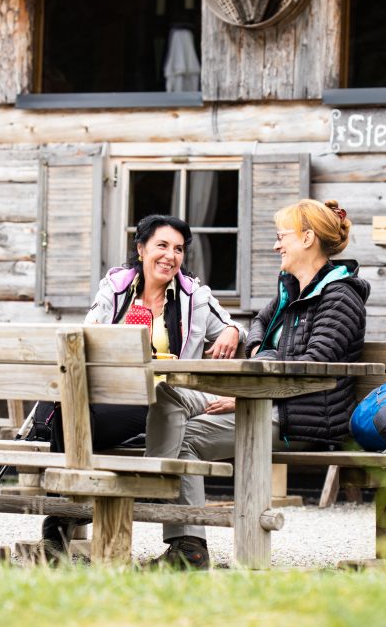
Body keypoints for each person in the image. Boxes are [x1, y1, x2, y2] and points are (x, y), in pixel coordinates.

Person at [145, 199, 370, 570]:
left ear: (308, 238)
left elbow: (314, 367)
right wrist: (254, 358)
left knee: (182, 440)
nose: (276, 245)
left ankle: (187, 546)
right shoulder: (291, 289)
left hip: (299, 414)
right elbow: (258, 327)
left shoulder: (339, 295)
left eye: (282, 237)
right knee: (166, 391)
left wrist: (247, 391)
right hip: (262, 398)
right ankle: (154, 480)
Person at [39, 214, 245, 559]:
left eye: (178, 249)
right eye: (161, 246)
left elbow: (230, 326)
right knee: (69, 411)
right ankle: (69, 512)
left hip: (163, 399)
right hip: (113, 395)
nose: (170, 256)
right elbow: (88, 330)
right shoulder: (116, 290)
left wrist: (232, 331)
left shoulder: (194, 296)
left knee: (82, 421)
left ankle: (64, 516)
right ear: (141, 249)